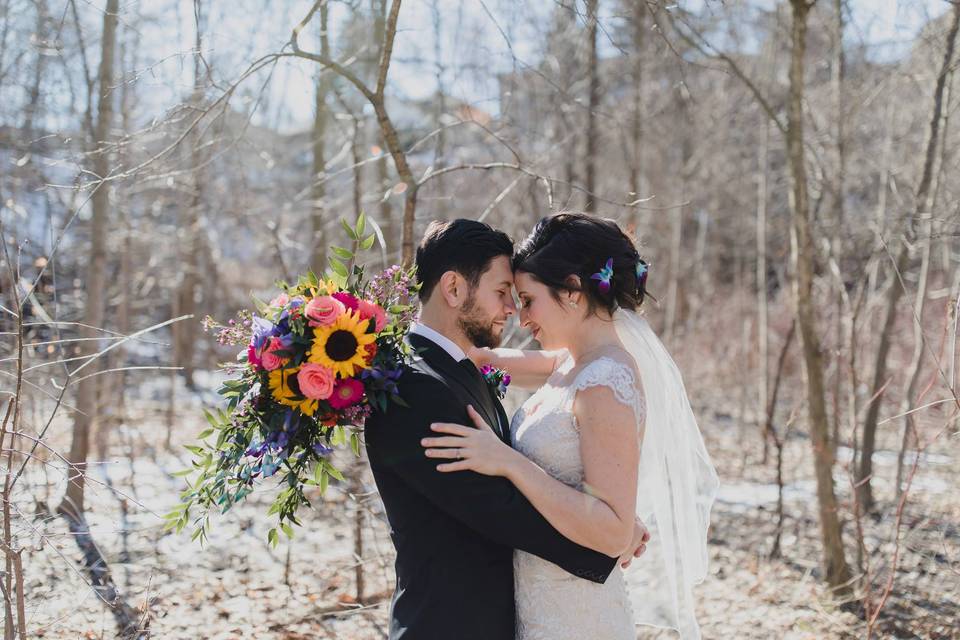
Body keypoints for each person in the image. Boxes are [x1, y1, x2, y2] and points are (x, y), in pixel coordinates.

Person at [422, 212, 719, 640]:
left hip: (577, 617)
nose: (520, 317)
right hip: (539, 603)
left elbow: (615, 533)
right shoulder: (569, 364)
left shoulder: (606, 383)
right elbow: (480, 357)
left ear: (573, 292)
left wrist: (508, 462)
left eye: (527, 300)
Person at [363, 218, 650, 640]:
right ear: (455, 289)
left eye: (523, 297)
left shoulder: (463, 369)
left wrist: (611, 517)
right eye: (503, 294)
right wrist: (610, 535)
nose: (514, 310)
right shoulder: (413, 388)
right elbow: (499, 507)